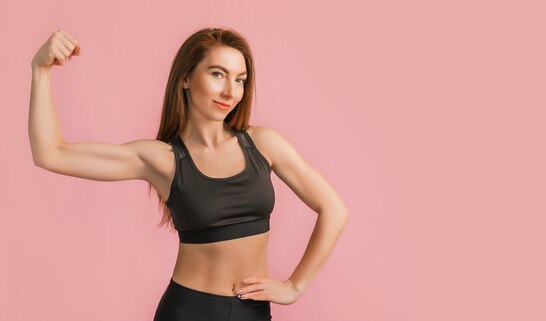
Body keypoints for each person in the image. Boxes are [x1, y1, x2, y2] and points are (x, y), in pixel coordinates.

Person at [29, 27, 350, 321]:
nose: (230, 91)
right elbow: (52, 153)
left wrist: (295, 286)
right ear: (186, 78)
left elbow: (334, 210)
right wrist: (40, 70)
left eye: (240, 79)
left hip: (253, 313)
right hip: (189, 311)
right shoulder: (163, 160)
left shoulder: (264, 144)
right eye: (217, 74)